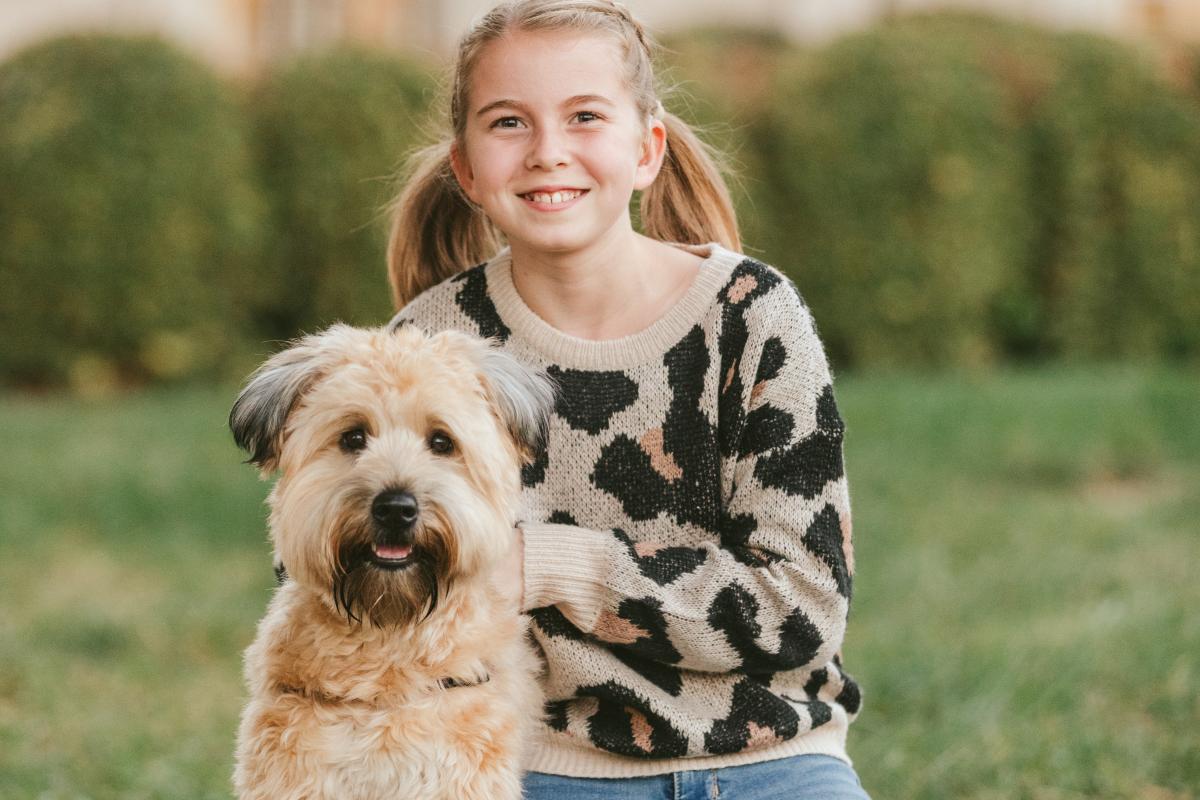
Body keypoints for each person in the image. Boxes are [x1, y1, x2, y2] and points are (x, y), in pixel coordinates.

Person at [385, 2, 869, 797]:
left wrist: (550, 567)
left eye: (584, 116)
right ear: (466, 168)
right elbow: (346, 572)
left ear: (646, 151)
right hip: (532, 765)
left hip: (772, 761)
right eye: (508, 123)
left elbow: (801, 609)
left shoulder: (749, 316)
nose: (548, 153)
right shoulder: (432, 344)